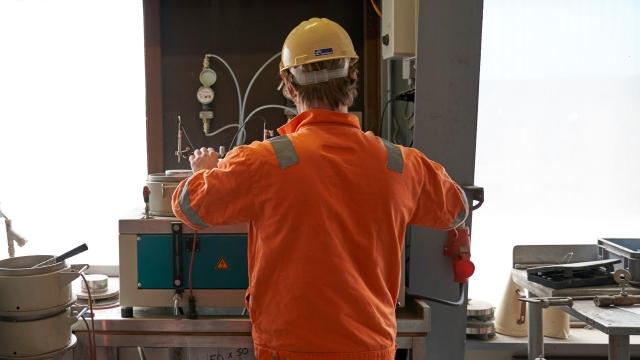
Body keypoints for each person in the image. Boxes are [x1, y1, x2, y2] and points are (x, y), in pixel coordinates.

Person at [172, 17, 468, 360]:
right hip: (369, 347)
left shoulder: (264, 161)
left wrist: (205, 171)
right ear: (352, 77)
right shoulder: (398, 163)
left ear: (289, 84)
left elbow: (190, 207)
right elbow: (456, 208)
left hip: (289, 347)